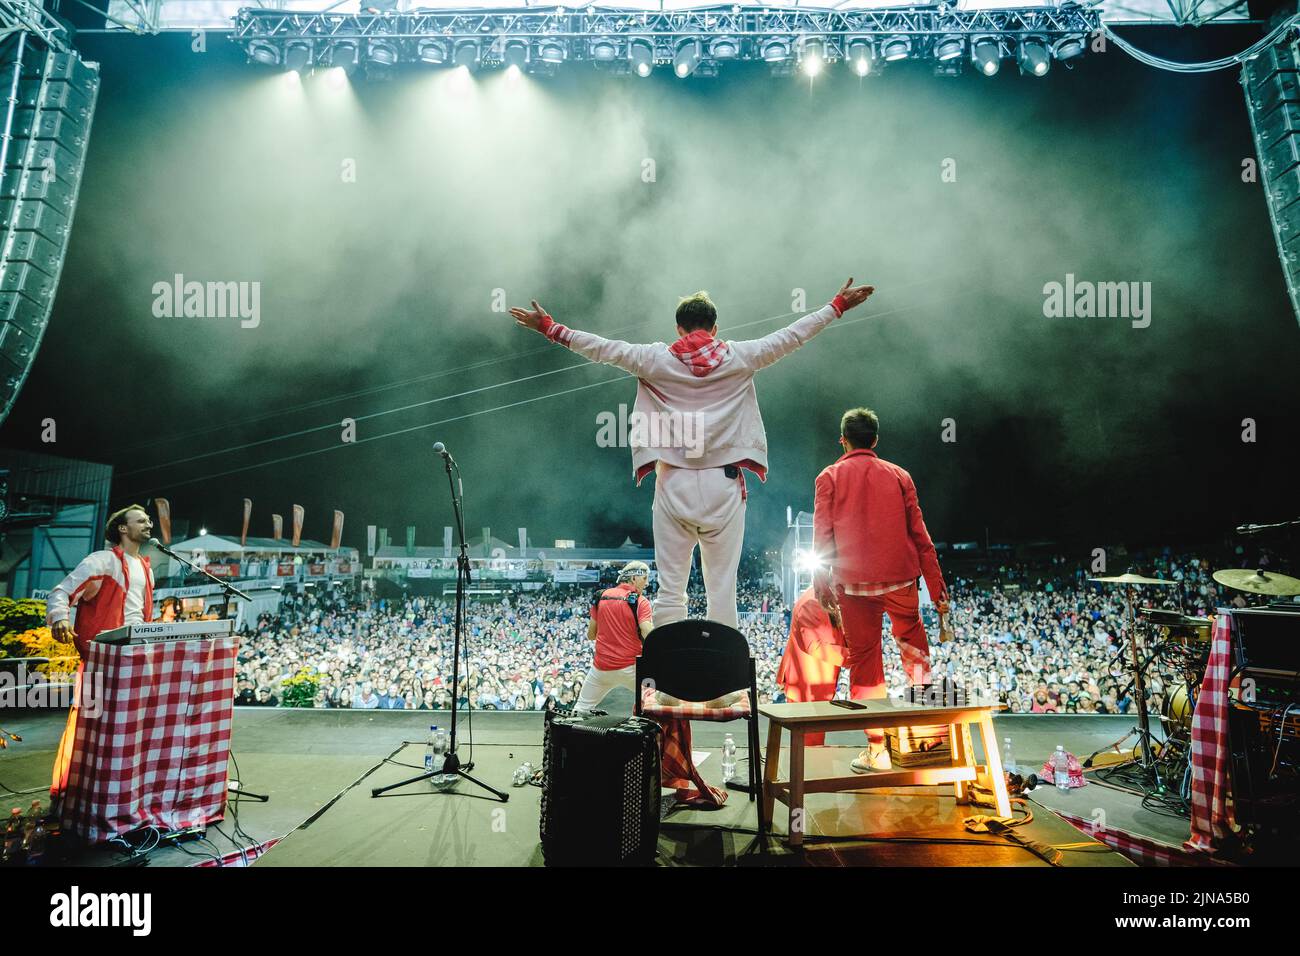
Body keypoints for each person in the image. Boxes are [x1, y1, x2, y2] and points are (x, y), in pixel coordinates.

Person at [510, 278, 875, 628]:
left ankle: (669, 685)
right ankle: (724, 687)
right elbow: (793, 336)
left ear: (678, 328)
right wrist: (837, 305)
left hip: (673, 483)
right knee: (722, 593)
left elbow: (600, 348)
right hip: (724, 486)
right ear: (714, 328)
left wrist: (549, 327)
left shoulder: (653, 359)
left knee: (671, 594)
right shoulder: (741, 357)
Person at [812, 408, 950, 774]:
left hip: (854, 586)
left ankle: (877, 750)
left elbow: (822, 538)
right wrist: (937, 590)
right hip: (901, 582)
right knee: (915, 654)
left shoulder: (829, 476)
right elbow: (921, 537)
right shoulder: (900, 475)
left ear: (843, 440)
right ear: (875, 440)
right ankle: (930, 741)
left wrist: (821, 585)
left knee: (866, 666)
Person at [44, 504, 158, 799]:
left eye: (149, 520)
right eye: (141, 520)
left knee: (131, 728)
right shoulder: (102, 561)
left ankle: (123, 791)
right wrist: (60, 618)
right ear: (123, 528)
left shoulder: (147, 569)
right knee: (92, 729)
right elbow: (61, 592)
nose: (149, 524)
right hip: (103, 659)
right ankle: (80, 791)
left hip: (136, 658)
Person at [574, 561, 654, 712]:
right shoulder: (640, 601)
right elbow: (648, 633)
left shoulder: (600, 597)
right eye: (644, 578)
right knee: (655, 700)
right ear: (633, 578)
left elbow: (591, 635)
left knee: (580, 709)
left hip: (601, 669)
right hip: (632, 669)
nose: (647, 583)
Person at [775, 586, 846, 746]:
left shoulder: (822, 596)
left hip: (814, 681)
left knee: (813, 741)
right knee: (810, 745)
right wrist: (856, 658)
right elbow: (816, 646)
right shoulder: (812, 602)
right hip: (807, 683)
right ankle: (812, 769)